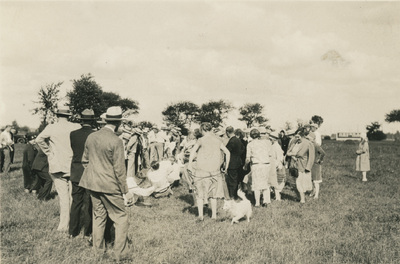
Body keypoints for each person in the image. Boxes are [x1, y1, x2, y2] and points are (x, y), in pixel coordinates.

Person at [79, 106, 134, 262]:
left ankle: (98, 252)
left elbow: (85, 160)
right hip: (110, 186)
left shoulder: (91, 137)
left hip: (92, 185)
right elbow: (119, 170)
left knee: (99, 217)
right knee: (121, 218)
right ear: (117, 123)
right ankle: (120, 255)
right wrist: (126, 191)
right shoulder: (116, 141)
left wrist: (95, 174)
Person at [36, 104, 81, 232]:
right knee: (74, 197)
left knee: (63, 198)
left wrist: (49, 152)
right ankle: (74, 224)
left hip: (57, 165)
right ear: (69, 115)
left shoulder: (52, 127)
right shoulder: (76, 126)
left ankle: (63, 226)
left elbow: (39, 139)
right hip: (73, 165)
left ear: (57, 115)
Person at [188, 122, 230, 221]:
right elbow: (227, 153)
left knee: (200, 194)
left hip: (201, 171)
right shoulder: (218, 140)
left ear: (202, 130)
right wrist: (226, 166)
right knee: (213, 195)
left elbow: (193, 151)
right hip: (214, 171)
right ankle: (214, 216)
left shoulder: (201, 140)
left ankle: (200, 216)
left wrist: (190, 164)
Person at [69, 109, 96, 239]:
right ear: (92, 120)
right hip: (89, 172)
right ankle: (87, 232)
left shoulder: (73, 134)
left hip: (75, 171)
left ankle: (72, 231)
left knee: (76, 202)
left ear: (81, 120)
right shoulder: (95, 135)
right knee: (88, 203)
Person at [243, 128, 274, 207]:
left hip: (256, 165)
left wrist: (245, 166)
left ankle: (257, 202)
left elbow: (247, 158)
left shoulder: (250, 144)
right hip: (266, 164)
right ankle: (266, 200)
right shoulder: (265, 143)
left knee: (256, 184)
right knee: (265, 183)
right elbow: (270, 154)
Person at [287, 127, 315, 204]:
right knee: (295, 182)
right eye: (296, 136)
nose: (296, 138)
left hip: (302, 165)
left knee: (299, 182)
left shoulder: (308, 143)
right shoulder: (294, 142)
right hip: (293, 165)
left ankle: (302, 199)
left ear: (302, 136)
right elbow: (288, 152)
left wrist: (308, 167)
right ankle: (300, 197)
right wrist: (292, 156)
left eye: (298, 136)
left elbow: (311, 157)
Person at [225, 126, 245, 200]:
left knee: (231, 180)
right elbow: (243, 149)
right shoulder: (238, 140)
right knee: (236, 180)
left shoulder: (232, 141)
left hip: (232, 163)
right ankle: (235, 194)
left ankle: (232, 196)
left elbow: (226, 151)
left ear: (227, 132)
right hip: (238, 162)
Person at [309, 133, 326, 199]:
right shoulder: (309, 145)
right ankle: (313, 191)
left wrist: (319, 160)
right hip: (311, 164)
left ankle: (316, 195)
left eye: (309, 138)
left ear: (312, 138)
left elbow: (323, 153)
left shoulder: (316, 145)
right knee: (312, 179)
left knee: (316, 180)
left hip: (316, 165)